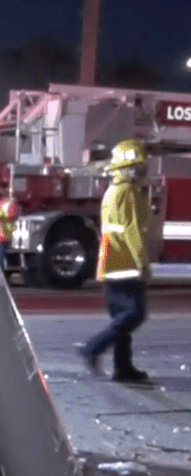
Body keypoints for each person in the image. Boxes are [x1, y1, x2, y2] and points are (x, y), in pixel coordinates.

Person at [80, 138, 152, 383]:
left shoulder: (113, 190)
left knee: (121, 316)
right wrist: (142, 262)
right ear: (130, 167)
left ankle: (123, 368)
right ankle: (94, 347)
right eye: (141, 165)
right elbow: (131, 229)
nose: (145, 170)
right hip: (125, 262)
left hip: (111, 261)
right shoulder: (127, 192)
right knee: (135, 313)